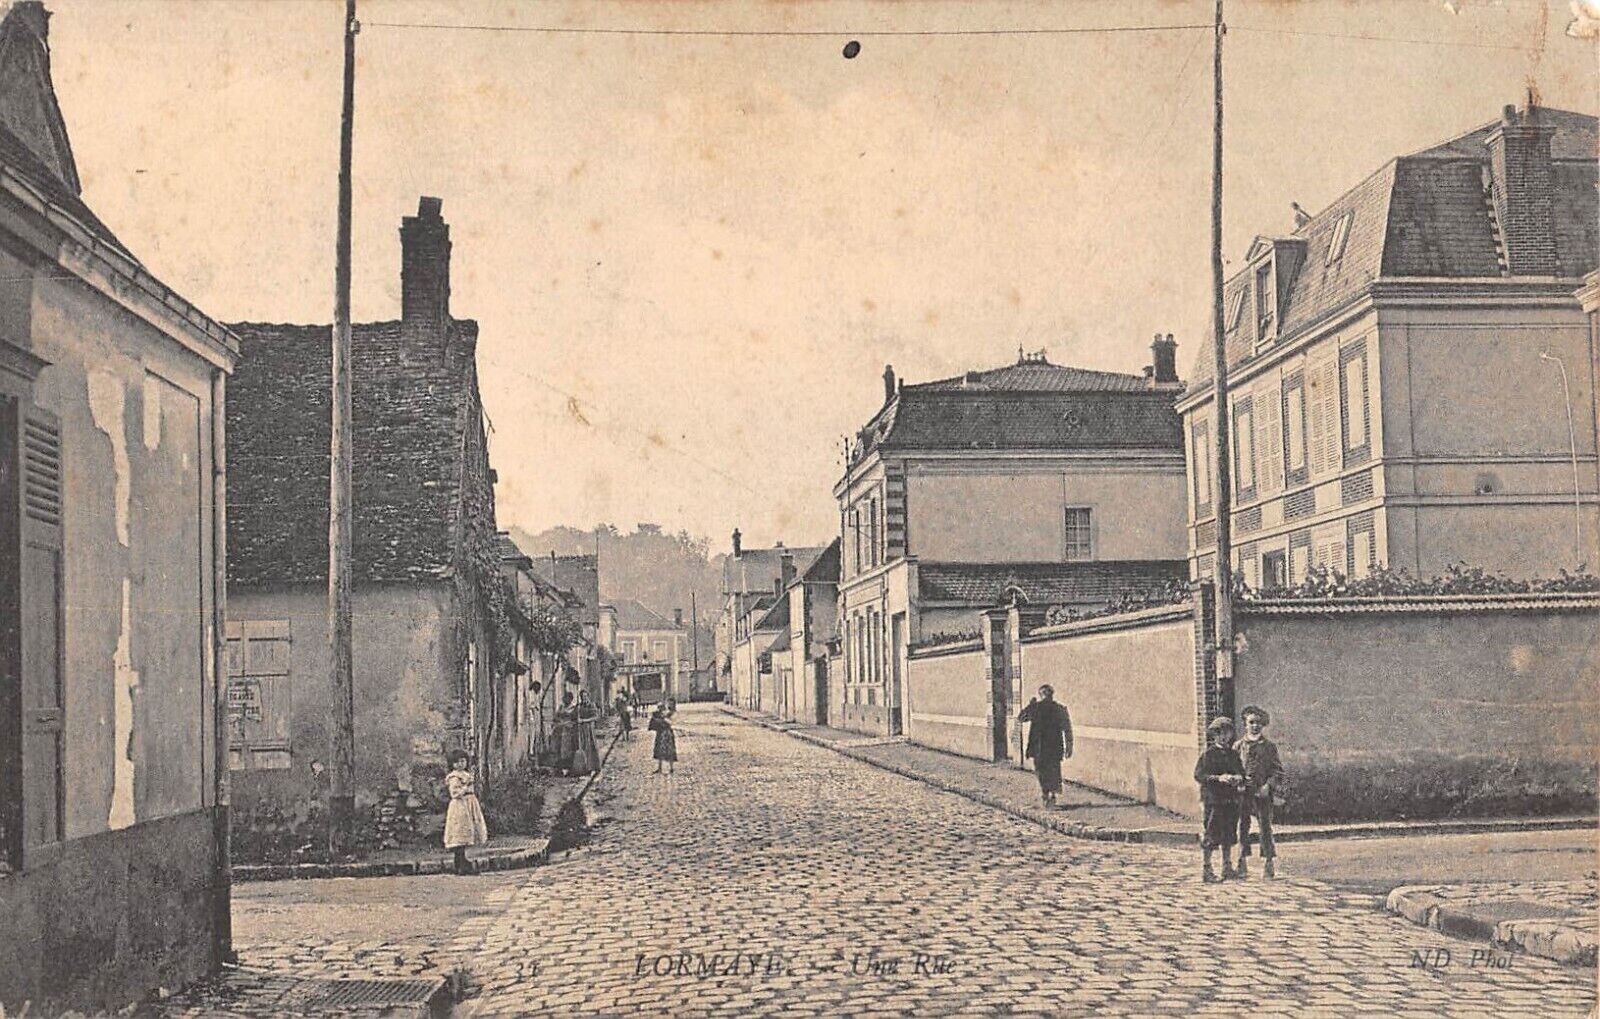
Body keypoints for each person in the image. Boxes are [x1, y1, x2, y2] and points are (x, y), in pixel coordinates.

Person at [1234, 705, 1286, 879]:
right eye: (1251, 722)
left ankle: (1268, 861)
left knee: (1265, 826)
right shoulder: (1238, 746)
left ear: (1262, 725)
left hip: (1262, 793)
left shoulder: (1269, 747)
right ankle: (1241, 860)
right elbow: (1232, 768)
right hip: (1244, 792)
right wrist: (1238, 783)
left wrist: (1268, 786)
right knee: (1243, 826)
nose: (1255, 726)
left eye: (1258, 723)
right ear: (1245, 724)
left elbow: (1277, 771)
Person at [1194, 716, 1246, 883]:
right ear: (1214, 736)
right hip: (1214, 800)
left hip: (1230, 800)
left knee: (1229, 833)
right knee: (1212, 832)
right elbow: (1199, 775)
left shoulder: (1233, 754)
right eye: (1220, 734)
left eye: (1227, 733)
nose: (1223, 737)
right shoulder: (1208, 755)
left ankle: (1226, 866)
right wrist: (1218, 778)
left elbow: (1241, 772)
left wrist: (1238, 778)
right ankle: (1207, 868)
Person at [1017, 684, 1073, 807]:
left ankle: (1047, 794)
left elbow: (1021, 718)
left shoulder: (1037, 708)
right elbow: (1067, 729)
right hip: (1052, 747)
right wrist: (1069, 746)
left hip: (1040, 747)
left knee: (1043, 771)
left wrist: (1030, 705)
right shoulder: (1058, 708)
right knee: (1053, 771)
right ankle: (1051, 794)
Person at [443, 750, 488, 875]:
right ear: (452, 764)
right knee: (460, 831)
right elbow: (454, 793)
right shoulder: (454, 777)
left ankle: (462, 862)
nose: (460, 764)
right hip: (460, 806)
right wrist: (465, 787)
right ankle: (460, 862)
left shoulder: (466, 775)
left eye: (462, 761)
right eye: (456, 762)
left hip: (469, 804)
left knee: (469, 830)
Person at [573, 689, 600, 775]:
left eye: (585, 696)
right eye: (582, 697)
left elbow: (595, 717)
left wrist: (584, 720)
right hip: (581, 730)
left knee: (590, 748)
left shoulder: (591, 705)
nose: (584, 698)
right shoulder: (579, 706)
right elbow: (574, 716)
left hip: (589, 729)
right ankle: (583, 767)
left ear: (588, 696)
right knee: (582, 747)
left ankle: (592, 767)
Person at [551, 691, 578, 775]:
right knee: (558, 748)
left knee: (567, 749)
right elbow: (555, 718)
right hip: (559, 730)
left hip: (569, 731)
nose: (565, 700)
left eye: (567, 699)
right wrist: (558, 721)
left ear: (571, 699)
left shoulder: (574, 708)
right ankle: (559, 768)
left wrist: (569, 723)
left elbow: (575, 720)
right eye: (564, 698)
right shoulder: (561, 707)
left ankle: (568, 768)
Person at [648, 703, 677, 775]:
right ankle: (661, 768)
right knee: (660, 750)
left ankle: (670, 768)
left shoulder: (667, 714)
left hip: (666, 734)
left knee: (669, 750)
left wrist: (662, 720)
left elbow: (670, 722)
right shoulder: (658, 715)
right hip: (661, 733)